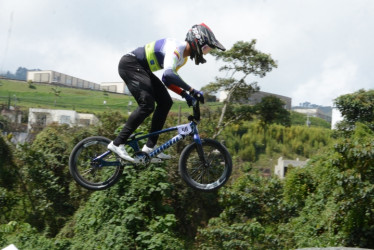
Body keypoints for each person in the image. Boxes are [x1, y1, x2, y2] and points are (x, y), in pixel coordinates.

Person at [108, 23, 226, 162]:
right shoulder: (177, 48)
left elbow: (167, 80)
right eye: (206, 48)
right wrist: (191, 90)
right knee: (147, 105)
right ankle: (118, 143)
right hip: (131, 64)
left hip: (142, 69)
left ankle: (150, 148)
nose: (205, 52)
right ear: (197, 42)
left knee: (165, 102)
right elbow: (169, 74)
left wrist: (185, 95)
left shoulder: (183, 59)